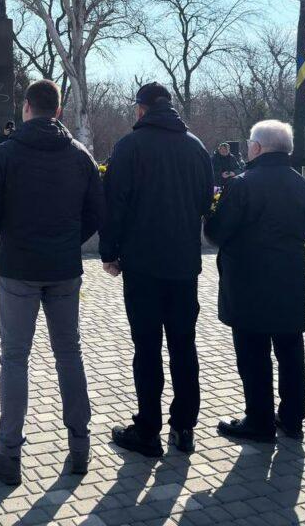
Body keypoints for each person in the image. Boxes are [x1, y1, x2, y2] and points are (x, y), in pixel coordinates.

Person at [0, 79, 104, 484]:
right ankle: (80, 448)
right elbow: (96, 213)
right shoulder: (80, 155)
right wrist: (66, 241)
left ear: (26, 107)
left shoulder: (5, 154)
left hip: (18, 269)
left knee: (14, 357)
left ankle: (9, 454)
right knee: (70, 354)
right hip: (64, 269)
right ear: (59, 111)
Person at [100, 82, 214, 457]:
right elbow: (203, 201)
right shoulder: (195, 147)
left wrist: (109, 252)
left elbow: (114, 204)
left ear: (141, 109)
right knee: (184, 345)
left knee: (146, 347)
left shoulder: (129, 146)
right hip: (183, 263)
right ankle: (184, 427)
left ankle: (147, 429)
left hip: (143, 263)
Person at [205, 120, 305, 442]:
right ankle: (293, 419)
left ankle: (259, 420)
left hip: (248, 281)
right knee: (291, 351)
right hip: (290, 279)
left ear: (256, 147)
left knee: (254, 354)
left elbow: (216, 233)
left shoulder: (242, 185)